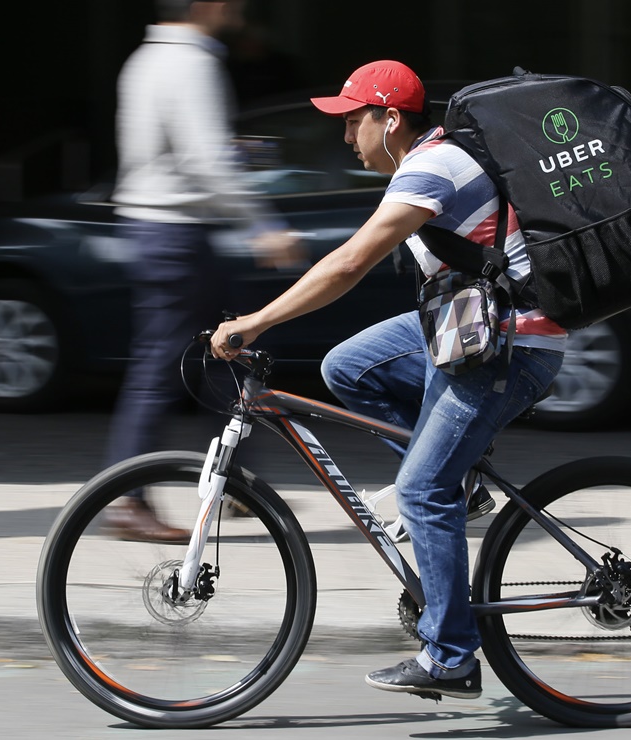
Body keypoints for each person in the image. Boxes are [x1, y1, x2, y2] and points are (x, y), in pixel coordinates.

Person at [211, 60, 566, 700]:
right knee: (346, 366)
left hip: (511, 345)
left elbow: (349, 263)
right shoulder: (426, 159)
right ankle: (458, 483)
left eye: (354, 122)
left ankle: (452, 656)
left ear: (390, 119)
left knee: (423, 490)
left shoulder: (433, 167)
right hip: (466, 328)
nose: (347, 138)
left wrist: (257, 322)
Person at [103, 0, 301, 543]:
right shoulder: (191, 63)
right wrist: (263, 222)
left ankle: (231, 485)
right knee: (166, 367)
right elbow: (205, 160)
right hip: (177, 233)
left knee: (219, 360)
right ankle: (127, 499)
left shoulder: (143, 58)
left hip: (159, 230)